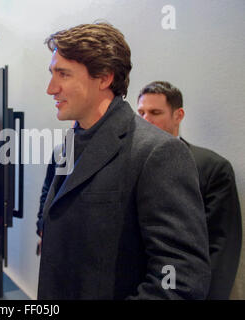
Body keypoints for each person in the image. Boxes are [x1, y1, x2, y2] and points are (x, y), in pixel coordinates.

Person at [38, 22, 211, 299]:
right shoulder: (67, 146)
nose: (51, 88)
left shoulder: (158, 152)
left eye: (63, 74)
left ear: (104, 78)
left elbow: (180, 277)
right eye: (52, 73)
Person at [137, 81, 242, 299]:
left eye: (155, 112)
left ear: (178, 115)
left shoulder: (212, 167)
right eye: (141, 112)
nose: (146, 120)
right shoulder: (130, 165)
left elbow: (221, 247)